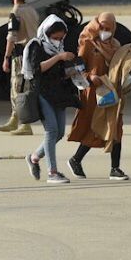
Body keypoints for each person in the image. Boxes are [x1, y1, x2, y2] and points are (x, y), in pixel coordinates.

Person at [65, 12, 131, 180]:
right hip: (94, 93)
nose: (105, 31)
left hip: (112, 92)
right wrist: (90, 76)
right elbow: (77, 69)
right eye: (102, 27)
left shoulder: (116, 46)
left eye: (108, 28)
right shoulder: (88, 44)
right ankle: (76, 159)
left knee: (116, 127)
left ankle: (115, 168)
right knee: (94, 127)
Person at [22, 15, 79, 184]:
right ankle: (52, 172)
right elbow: (36, 69)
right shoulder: (36, 45)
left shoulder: (60, 48)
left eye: (61, 38)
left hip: (58, 93)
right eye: (55, 38)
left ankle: (33, 158)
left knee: (60, 133)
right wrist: (59, 58)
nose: (58, 41)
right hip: (42, 92)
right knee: (51, 130)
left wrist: (73, 71)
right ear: (47, 34)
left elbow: (60, 72)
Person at [0, 0, 40, 136]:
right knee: (22, 86)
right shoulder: (32, 11)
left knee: (18, 88)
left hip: (21, 54)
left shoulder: (15, 13)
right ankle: (15, 119)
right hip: (33, 50)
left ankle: (25, 124)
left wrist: (6, 57)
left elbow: (12, 36)